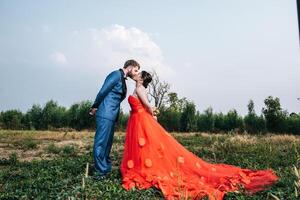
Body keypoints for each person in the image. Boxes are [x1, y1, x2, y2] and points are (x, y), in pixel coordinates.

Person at [120, 71, 279, 200]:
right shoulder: (138, 88)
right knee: (144, 145)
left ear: (141, 78)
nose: (136, 74)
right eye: (136, 72)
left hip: (141, 120)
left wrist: (153, 115)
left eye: (138, 73)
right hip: (137, 120)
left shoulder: (140, 89)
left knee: (147, 145)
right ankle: (142, 167)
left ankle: (143, 169)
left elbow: (147, 105)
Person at [90, 59, 140, 177]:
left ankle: (105, 168)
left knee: (107, 144)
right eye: (136, 70)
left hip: (112, 115)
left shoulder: (122, 78)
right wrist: (95, 105)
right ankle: (100, 172)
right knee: (101, 143)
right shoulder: (116, 74)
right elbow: (103, 91)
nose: (137, 73)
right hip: (105, 113)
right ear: (130, 67)